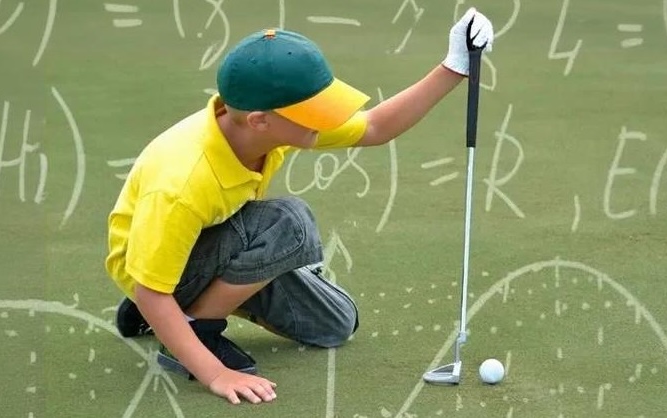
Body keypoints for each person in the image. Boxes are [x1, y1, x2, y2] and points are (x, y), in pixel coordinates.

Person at [105, 7, 494, 405]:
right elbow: (151, 289)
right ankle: (191, 328)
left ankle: (177, 311)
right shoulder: (181, 183)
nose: (323, 119)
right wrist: (215, 372)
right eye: (313, 111)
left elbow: (375, 126)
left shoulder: (270, 127)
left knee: (334, 323)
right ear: (259, 121)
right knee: (288, 224)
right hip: (151, 278)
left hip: (200, 252)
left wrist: (454, 66)